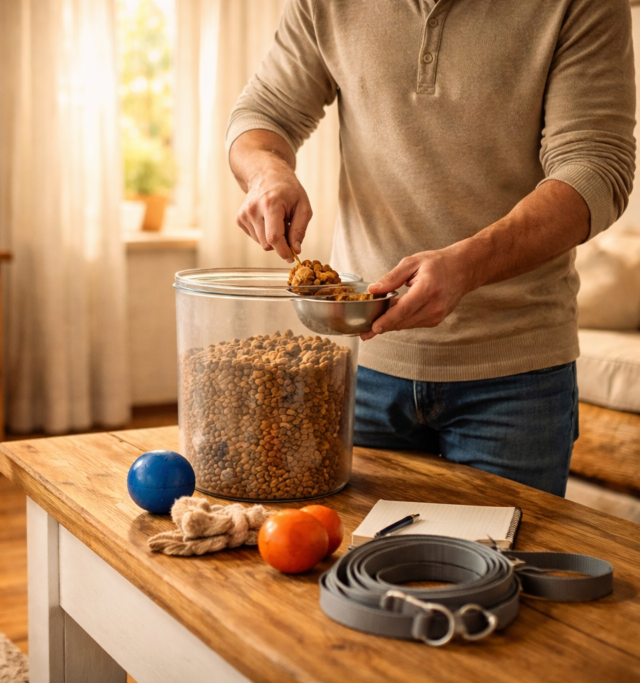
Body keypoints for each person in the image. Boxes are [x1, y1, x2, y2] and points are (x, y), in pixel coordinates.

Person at [226, 0, 636, 495]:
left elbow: (596, 169)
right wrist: (267, 172)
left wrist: (469, 264)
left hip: (517, 377)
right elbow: (263, 112)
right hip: (361, 364)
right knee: (347, 564)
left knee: (504, 568)